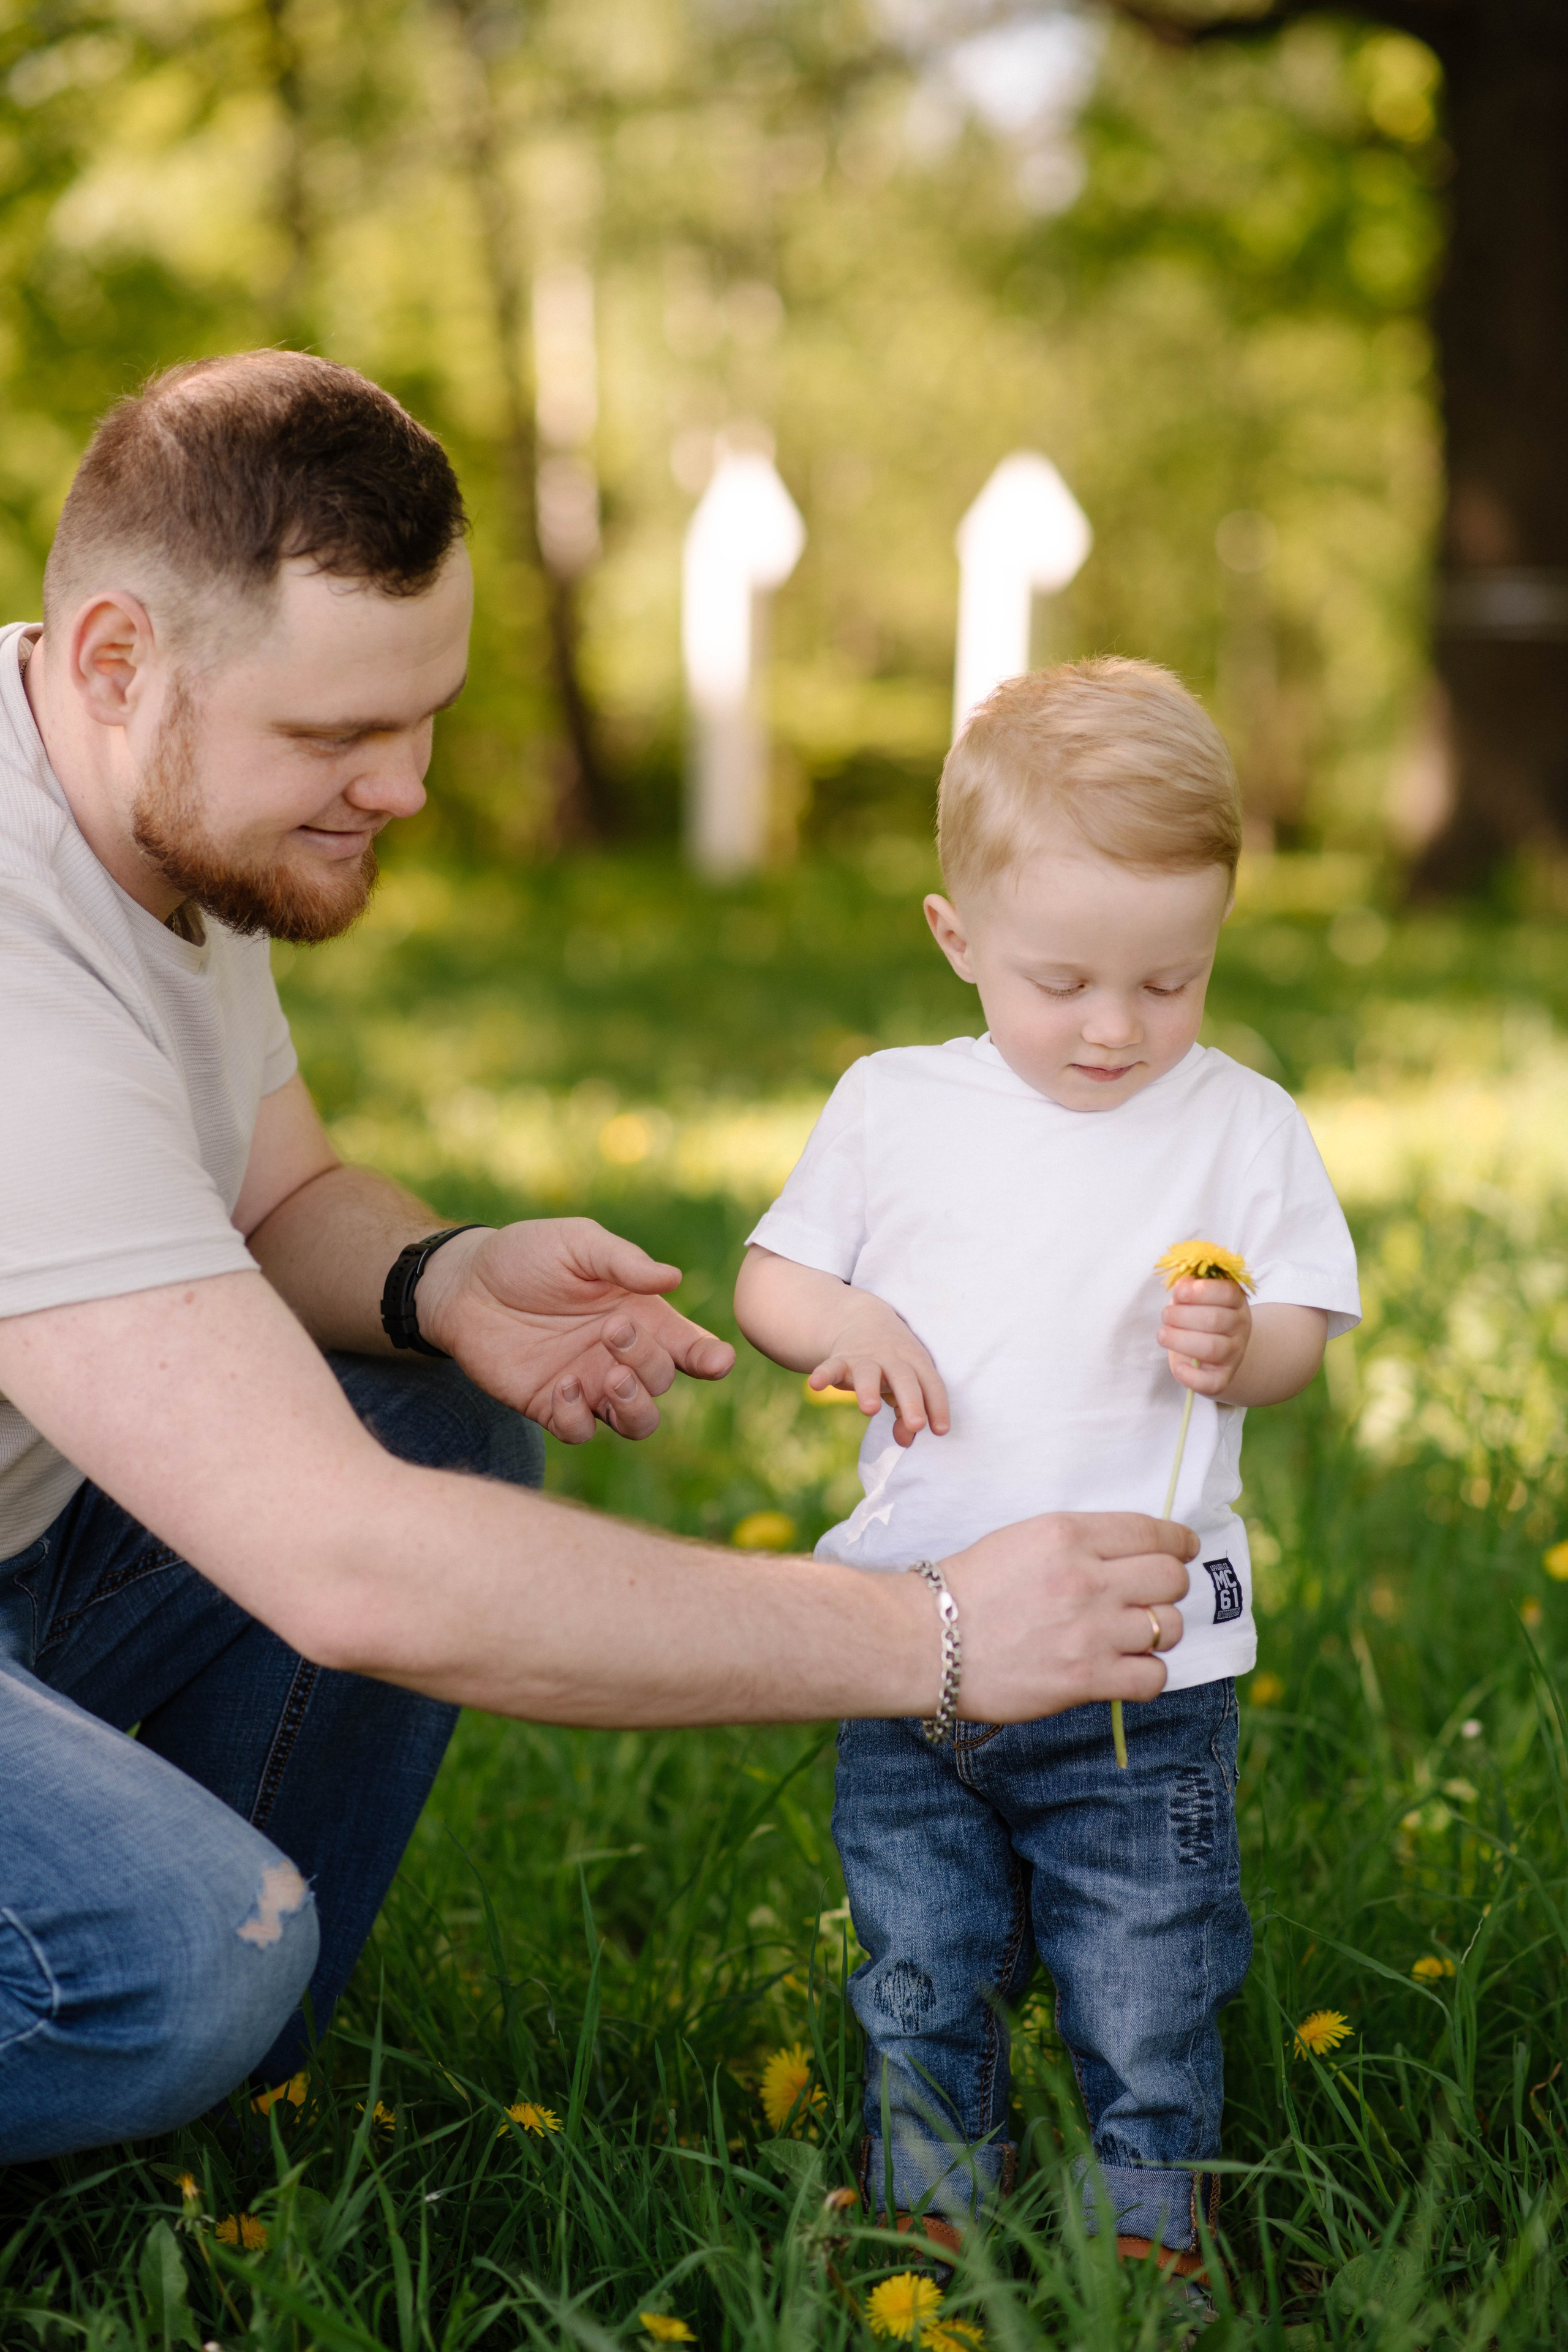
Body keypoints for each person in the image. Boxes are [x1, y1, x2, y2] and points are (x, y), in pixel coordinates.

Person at [0, 356, 1197, 2165]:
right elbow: (349, 1570)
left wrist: (444, 1278)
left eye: (424, 720)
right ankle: (164, 2008)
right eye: (336, 740)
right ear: (113, 659)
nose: (399, 787)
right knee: (166, 1963)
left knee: (425, 1416)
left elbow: (278, 1189)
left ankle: (210, 2110)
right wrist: (933, 1633)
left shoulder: (142, 805)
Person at [736, 660, 1362, 2277]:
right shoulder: (893, 1107)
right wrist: (848, 1312)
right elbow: (769, 1284)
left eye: (1170, 982)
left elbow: (1302, 1324)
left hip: (1139, 1673)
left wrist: (1244, 1340)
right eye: (1063, 979)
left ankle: (1151, 2220)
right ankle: (931, 2199)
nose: (1114, 1026)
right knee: (921, 1961)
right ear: (959, 940)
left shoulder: (1243, 1123)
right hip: (908, 1641)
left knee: (1148, 1962)